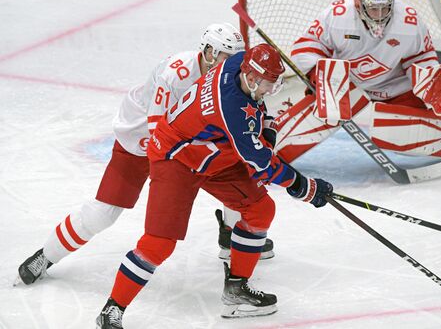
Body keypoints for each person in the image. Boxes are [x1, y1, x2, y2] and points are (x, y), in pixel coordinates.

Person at [95, 43, 333, 328]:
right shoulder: (232, 109)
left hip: (213, 153)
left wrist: (266, 124)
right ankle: (112, 309)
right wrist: (304, 187)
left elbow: (257, 108)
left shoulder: (241, 63)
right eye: (269, 85)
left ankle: (236, 289)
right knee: (159, 244)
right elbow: (261, 162)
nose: (272, 90)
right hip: (176, 160)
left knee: (261, 209)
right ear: (252, 79)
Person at [16, 23, 273, 286]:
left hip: (186, 145)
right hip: (142, 140)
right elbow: (156, 130)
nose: (237, 67)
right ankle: (45, 256)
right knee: (103, 213)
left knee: (236, 174)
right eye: (227, 58)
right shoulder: (176, 73)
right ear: (208, 52)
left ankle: (230, 237)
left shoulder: (230, 79)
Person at [273, 0, 441, 164]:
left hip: (392, 86)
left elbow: (422, 57)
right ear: (358, 4)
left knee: (402, 126)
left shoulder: (409, 21)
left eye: (384, 7)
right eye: (373, 8)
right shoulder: (337, 16)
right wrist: (319, 76)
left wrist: (430, 81)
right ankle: (268, 150)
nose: (379, 14)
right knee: (325, 110)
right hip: (345, 84)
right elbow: (306, 47)